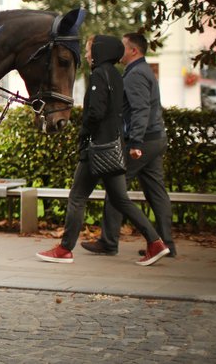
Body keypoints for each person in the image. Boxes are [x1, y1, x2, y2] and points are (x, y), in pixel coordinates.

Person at [37, 35, 171, 266]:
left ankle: (65, 249)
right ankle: (155, 242)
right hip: (113, 146)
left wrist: (83, 132)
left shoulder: (99, 74)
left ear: (100, 52)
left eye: (90, 51)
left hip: (96, 148)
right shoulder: (117, 76)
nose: (87, 55)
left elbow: (96, 112)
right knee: (121, 199)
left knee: (77, 197)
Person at [82, 33, 176, 257]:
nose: (118, 52)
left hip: (143, 141)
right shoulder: (142, 71)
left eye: (122, 47)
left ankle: (108, 242)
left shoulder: (135, 75)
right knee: (156, 193)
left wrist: (135, 142)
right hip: (154, 138)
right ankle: (166, 245)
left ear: (133, 50)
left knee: (117, 189)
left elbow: (140, 110)